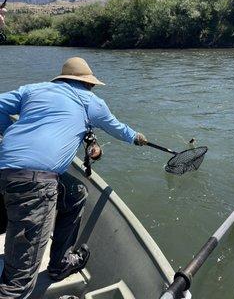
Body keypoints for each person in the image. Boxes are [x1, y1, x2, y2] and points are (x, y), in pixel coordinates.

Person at [0, 51, 147, 299]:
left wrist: (9, 131)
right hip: (35, 184)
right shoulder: (91, 102)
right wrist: (137, 138)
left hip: (4, 168)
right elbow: (117, 128)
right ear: (88, 83)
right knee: (19, 282)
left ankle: (59, 263)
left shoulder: (33, 90)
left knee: (77, 192)